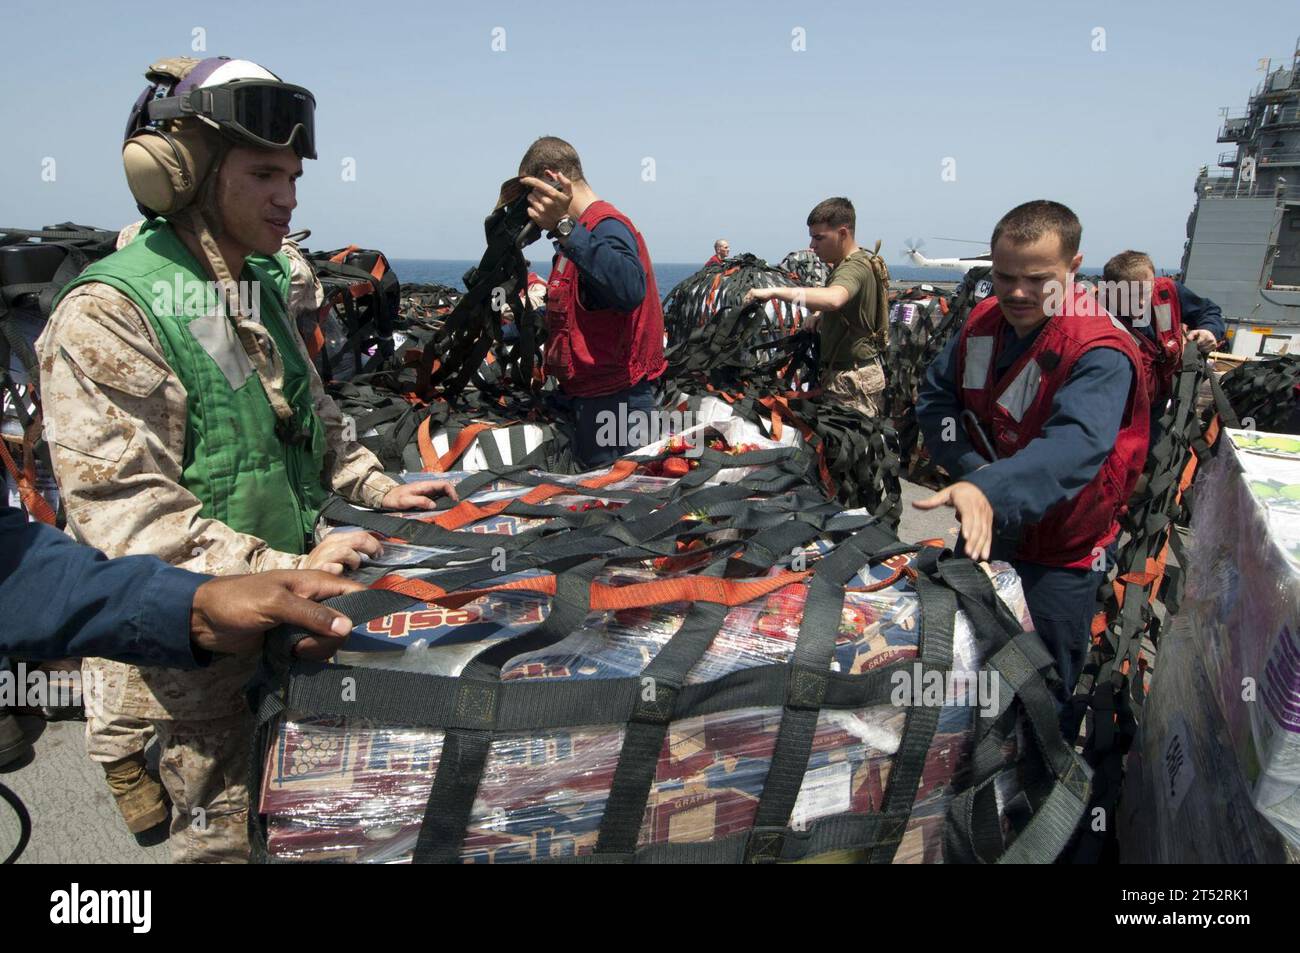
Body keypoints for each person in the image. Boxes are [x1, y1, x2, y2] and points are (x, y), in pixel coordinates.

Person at [35, 56, 454, 861]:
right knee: (230, 846)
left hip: (282, 628)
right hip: (191, 672)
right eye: (264, 172)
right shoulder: (111, 315)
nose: (289, 196)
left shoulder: (257, 283)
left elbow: (310, 413)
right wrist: (285, 567)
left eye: (294, 176)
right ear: (185, 173)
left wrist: (375, 487)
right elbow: (133, 522)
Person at [914, 200, 1150, 714]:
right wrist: (972, 472)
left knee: (1041, 688)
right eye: (1004, 276)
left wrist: (988, 488)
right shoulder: (981, 323)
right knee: (966, 661)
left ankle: (1046, 787)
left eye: (1038, 279)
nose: (1017, 293)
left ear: (1074, 267)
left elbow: (1076, 447)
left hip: (1060, 549)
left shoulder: (1098, 349)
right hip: (986, 521)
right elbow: (937, 400)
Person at [0, 503, 362, 767]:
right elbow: (126, 508)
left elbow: (16, 561)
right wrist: (210, 599)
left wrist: (192, 607)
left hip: (248, 625)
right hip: (199, 679)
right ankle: (120, 762)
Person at [516, 136, 667, 469]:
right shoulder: (577, 238)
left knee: (621, 510)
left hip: (619, 409)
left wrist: (565, 227)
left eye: (532, 194)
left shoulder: (607, 228)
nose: (530, 207)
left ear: (553, 180)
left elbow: (628, 288)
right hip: (590, 402)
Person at [744, 197, 888, 416]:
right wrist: (821, 315)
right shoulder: (854, 262)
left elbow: (834, 299)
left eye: (819, 238)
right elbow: (845, 305)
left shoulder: (852, 268)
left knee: (849, 446)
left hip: (851, 381)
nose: (812, 245)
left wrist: (774, 292)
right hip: (847, 374)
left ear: (842, 233)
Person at [1102, 250, 1224, 439]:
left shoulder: (1168, 292)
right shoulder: (1096, 316)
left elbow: (1208, 311)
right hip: (1118, 415)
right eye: (1131, 296)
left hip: (1160, 405)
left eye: (1146, 292)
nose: (1141, 302)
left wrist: (1209, 330)